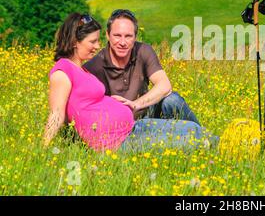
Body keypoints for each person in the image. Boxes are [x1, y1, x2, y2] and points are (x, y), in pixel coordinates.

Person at [43, 13, 216, 152]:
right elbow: (57, 114)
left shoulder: (82, 70)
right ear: (75, 42)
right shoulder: (63, 71)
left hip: (133, 126)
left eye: (97, 41)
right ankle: (226, 148)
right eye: (92, 41)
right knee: (196, 139)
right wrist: (42, 149)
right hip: (116, 141)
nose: (97, 46)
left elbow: (165, 86)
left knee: (192, 128)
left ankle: (224, 143)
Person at [83, 9, 200, 125]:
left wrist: (136, 104)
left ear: (135, 37)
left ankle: (203, 139)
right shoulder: (94, 66)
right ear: (108, 35)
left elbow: (164, 85)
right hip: (118, 125)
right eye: (117, 36)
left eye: (128, 36)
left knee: (171, 100)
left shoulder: (143, 51)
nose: (122, 42)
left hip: (147, 113)